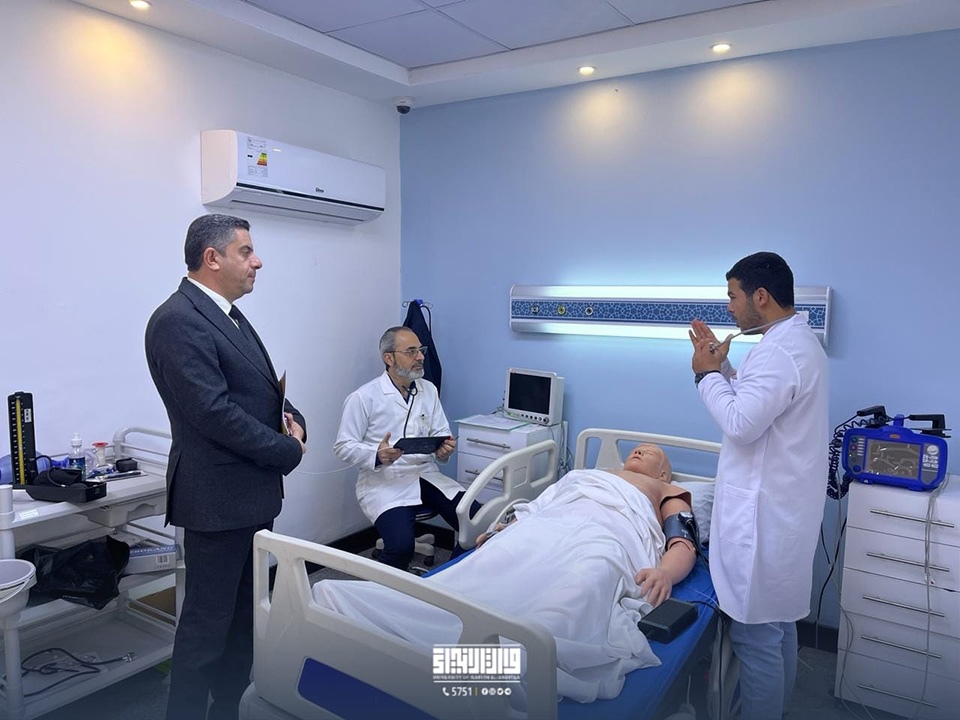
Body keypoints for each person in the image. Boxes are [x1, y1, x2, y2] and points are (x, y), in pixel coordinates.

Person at [313, 442, 698, 703]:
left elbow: (683, 542)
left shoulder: (667, 491)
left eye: (651, 452)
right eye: (636, 447)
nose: (639, 449)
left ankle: (485, 665)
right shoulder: (583, 475)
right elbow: (539, 506)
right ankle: (409, 628)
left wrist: (665, 572)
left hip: (605, 539)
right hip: (543, 527)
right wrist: (504, 529)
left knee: (577, 589)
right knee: (482, 569)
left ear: (664, 473)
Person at [145, 214, 307, 720]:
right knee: (206, 627)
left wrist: (293, 418)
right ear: (212, 258)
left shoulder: (228, 315)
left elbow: (258, 389)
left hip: (251, 496)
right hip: (217, 502)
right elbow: (214, 413)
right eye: (246, 251)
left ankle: (229, 707)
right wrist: (287, 450)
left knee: (242, 620)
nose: (257, 261)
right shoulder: (178, 320)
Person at [688, 251, 828, 720]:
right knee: (778, 627)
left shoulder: (777, 352)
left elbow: (741, 423)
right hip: (784, 511)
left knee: (756, 637)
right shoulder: (794, 343)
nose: (729, 307)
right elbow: (757, 402)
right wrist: (726, 370)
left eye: (733, 296)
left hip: (764, 518)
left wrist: (705, 374)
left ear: (761, 296)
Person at [334, 327, 479, 571]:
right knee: (401, 548)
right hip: (385, 481)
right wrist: (377, 455)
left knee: (478, 523)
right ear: (388, 358)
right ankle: (382, 590)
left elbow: (441, 435)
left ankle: (445, 578)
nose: (420, 357)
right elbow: (342, 446)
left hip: (426, 474)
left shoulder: (428, 390)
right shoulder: (363, 397)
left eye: (420, 350)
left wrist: (443, 451)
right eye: (411, 352)